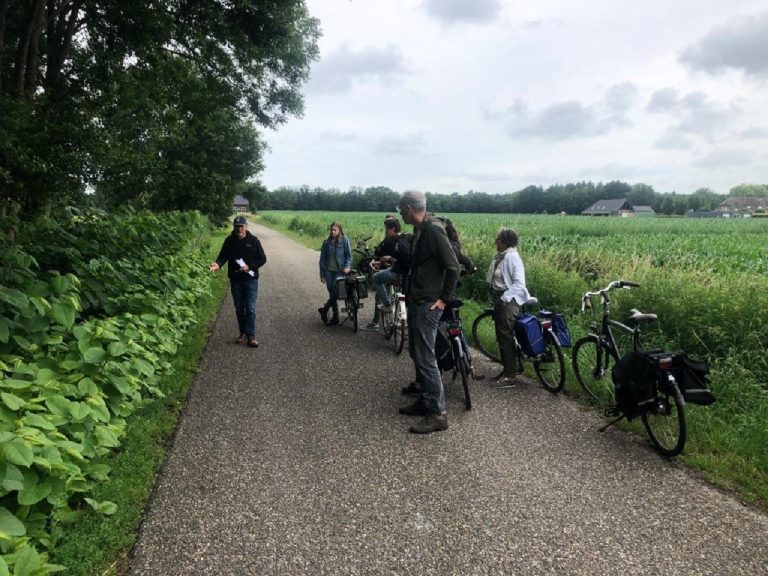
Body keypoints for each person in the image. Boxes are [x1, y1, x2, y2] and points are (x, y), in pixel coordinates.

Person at [397, 190, 460, 434]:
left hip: (428, 304)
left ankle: (438, 413)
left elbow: (453, 266)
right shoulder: (420, 229)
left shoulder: (433, 229)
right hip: (418, 300)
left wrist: (444, 299)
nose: (400, 213)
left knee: (426, 357)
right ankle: (425, 401)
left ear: (408, 208)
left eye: (401, 209)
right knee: (416, 352)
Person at [209, 215, 267, 347]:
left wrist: (250, 266)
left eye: (241, 226)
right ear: (234, 227)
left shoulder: (254, 241)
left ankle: (251, 336)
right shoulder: (229, 241)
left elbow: (262, 259)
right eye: (237, 227)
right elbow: (223, 256)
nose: (239, 229)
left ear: (246, 226)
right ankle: (242, 333)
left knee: (250, 308)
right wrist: (217, 264)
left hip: (251, 280)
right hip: (235, 280)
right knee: (239, 309)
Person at [488, 228, 532, 385]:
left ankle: (510, 375)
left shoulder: (512, 258)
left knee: (505, 337)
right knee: (503, 336)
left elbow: (519, 283)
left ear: (504, 242)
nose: (496, 242)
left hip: (509, 301)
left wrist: (505, 298)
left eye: (498, 240)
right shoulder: (504, 256)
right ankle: (509, 367)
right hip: (503, 299)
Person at [361, 217, 411, 332]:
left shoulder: (392, 240)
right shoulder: (406, 237)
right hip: (408, 275)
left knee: (375, 278)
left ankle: (386, 306)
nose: (386, 232)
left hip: (396, 272)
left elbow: (379, 253)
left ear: (392, 229)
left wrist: (384, 259)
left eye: (387, 229)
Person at [318, 222, 352, 326]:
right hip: (328, 271)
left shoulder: (344, 240)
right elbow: (322, 259)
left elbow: (348, 256)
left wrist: (347, 266)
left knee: (336, 292)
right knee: (331, 292)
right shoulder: (326, 242)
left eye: (335, 230)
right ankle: (335, 317)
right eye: (332, 230)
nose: (333, 232)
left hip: (340, 271)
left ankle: (325, 309)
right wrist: (322, 275)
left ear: (339, 231)